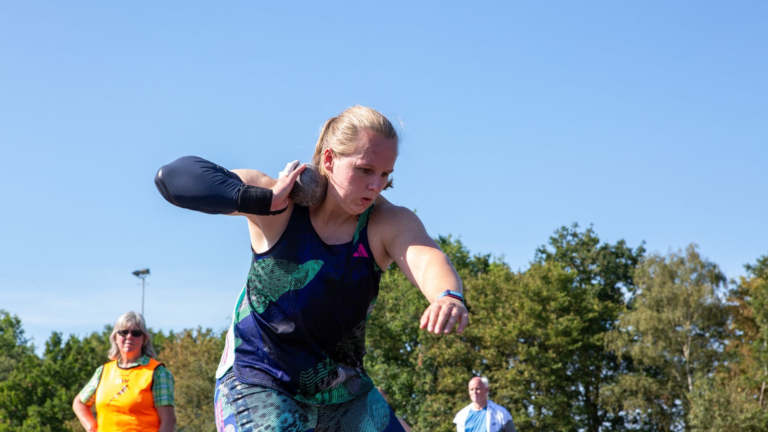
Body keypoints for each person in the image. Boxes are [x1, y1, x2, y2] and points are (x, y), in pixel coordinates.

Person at [155, 105, 469, 432]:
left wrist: (447, 296)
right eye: (365, 170)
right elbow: (173, 178)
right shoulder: (280, 205)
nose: (376, 185)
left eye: (385, 174)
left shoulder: (383, 222)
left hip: (341, 391)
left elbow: (426, 255)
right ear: (329, 160)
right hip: (261, 382)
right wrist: (261, 201)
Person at [72, 311, 176, 432]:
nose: (129, 337)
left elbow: (168, 421)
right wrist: (91, 427)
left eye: (136, 333)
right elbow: (79, 403)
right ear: (115, 337)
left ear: (144, 339)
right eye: (124, 332)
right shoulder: (103, 371)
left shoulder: (157, 373)